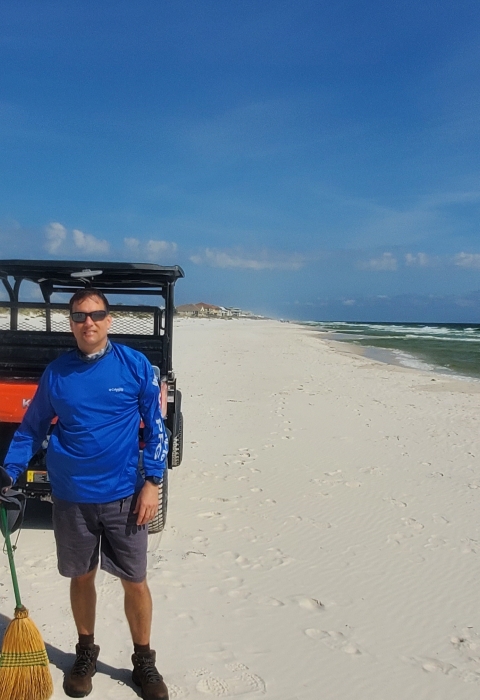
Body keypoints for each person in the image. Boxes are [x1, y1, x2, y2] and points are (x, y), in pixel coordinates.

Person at [0, 288, 169, 700]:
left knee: (135, 580)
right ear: (71, 322)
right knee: (81, 576)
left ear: (109, 320)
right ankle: (85, 652)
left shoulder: (135, 366)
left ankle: (143, 660)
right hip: (72, 497)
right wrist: (7, 472)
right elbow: (31, 428)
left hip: (124, 496)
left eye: (95, 315)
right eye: (79, 316)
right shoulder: (57, 373)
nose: (87, 323)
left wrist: (153, 482)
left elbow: (156, 427)